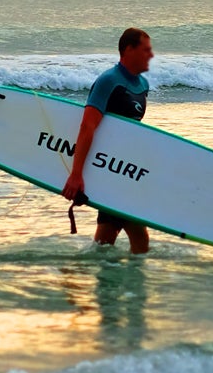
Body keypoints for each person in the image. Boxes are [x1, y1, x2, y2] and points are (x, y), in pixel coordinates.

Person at [61, 28, 154, 254]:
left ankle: (82, 275)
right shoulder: (108, 81)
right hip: (109, 171)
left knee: (109, 239)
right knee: (138, 239)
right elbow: (87, 127)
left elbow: (129, 133)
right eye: (145, 50)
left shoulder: (143, 85)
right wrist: (76, 174)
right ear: (129, 50)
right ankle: (115, 281)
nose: (151, 55)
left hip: (124, 171)